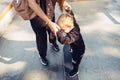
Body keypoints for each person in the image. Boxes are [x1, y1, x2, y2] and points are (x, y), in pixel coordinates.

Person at [27, 0, 71, 66]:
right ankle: (42, 56)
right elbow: (32, 4)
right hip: (37, 18)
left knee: (52, 31)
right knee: (41, 38)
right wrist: (49, 22)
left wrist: (63, 2)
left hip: (50, 12)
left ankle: (53, 42)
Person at [56, 11, 85, 77]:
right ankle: (73, 52)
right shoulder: (73, 24)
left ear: (70, 27)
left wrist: (58, 32)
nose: (62, 31)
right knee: (73, 49)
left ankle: (75, 70)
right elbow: (72, 17)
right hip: (75, 46)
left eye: (63, 29)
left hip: (79, 51)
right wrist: (69, 10)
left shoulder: (74, 35)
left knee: (75, 61)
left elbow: (63, 41)